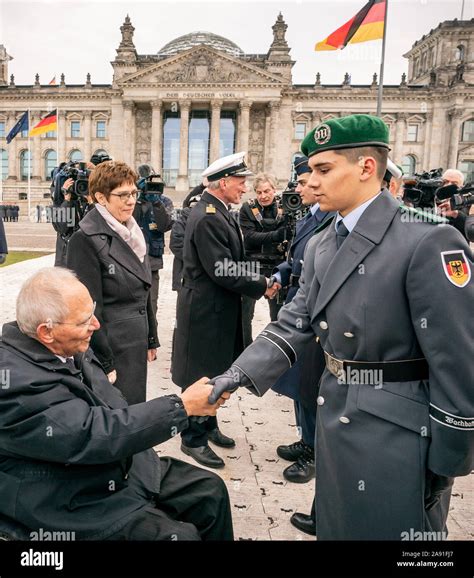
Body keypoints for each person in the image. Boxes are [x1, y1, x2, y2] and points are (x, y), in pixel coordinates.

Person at [208, 114, 474, 540]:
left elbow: (458, 359)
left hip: (400, 436)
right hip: (339, 414)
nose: (308, 181)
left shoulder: (427, 239)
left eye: (323, 169)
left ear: (367, 168)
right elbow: (297, 319)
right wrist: (237, 374)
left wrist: (447, 463)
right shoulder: (323, 241)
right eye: (310, 169)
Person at [0, 268, 233, 541]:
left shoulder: (67, 346)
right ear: (46, 331)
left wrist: (188, 408)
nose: (96, 325)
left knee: (210, 491)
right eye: (84, 320)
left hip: (112, 468)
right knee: (180, 537)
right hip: (66, 498)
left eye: (93, 311)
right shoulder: (14, 382)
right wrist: (181, 407)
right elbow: (93, 434)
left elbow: (115, 409)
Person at [171, 152, 279, 469]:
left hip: (217, 308)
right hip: (206, 310)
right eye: (241, 181)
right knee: (200, 374)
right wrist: (262, 284)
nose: (244, 188)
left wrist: (259, 278)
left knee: (215, 369)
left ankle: (209, 423)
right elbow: (222, 269)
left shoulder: (218, 210)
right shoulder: (207, 215)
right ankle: (192, 439)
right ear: (224, 182)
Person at [67, 161, 159, 405]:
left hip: (134, 340)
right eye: (123, 195)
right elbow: (88, 309)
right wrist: (105, 362)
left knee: (134, 408)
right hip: (111, 346)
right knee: (117, 414)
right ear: (101, 197)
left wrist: (151, 336)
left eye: (133, 193)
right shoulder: (84, 239)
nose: (131, 201)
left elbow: (144, 289)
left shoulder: (132, 231)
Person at [239, 173, 286, 346]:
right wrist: (276, 235)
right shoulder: (247, 208)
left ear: (274, 189)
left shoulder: (285, 207)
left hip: (277, 266)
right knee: (245, 314)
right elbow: (250, 237)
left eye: (267, 191)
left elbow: (287, 235)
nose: (263, 196)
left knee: (278, 314)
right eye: (259, 192)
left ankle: (276, 348)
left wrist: (268, 236)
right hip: (252, 265)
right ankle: (244, 347)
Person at [133, 164, 174, 319]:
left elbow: (165, 225)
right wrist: (138, 200)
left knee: (151, 305)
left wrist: (156, 203)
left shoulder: (164, 201)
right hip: (131, 259)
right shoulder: (131, 200)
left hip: (152, 260)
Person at [436, 169, 469, 240]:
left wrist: (456, 214)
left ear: (461, 186)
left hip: (455, 246)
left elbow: (470, 228)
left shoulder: (468, 202)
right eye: (445, 181)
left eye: (454, 183)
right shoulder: (431, 198)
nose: (448, 185)